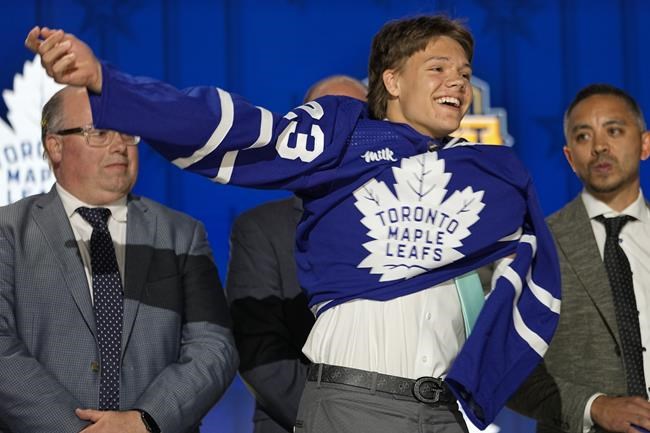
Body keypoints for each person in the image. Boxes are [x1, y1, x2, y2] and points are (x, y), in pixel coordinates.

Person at [26, 15, 561, 432]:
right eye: (439, 68)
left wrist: (482, 381)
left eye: (464, 73)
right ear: (393, 80)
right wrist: (108, 84)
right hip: (354, 408)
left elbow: (533, 272)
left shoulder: (488, 173)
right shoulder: (343, 138)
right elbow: (238, 128)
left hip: (445, 413)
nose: (457, 83)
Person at [0, 86, 238, 433]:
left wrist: (145, 420)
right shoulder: (8, 231)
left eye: (127, 133)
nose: (119, 146)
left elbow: (213, 346)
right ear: (55, 145)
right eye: (99, 133)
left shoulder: (181, 234)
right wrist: (77, 430)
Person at [226, 75, 367, 433]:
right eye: (329, 120)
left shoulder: (407, 225)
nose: (344, 133)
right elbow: (260, 354)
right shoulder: (261, 229)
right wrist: (344, 424)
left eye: (359, 121)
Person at [509, 84, 650, 433]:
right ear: (570, 157)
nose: (599, 146)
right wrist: (594, 407)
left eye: (614, 131)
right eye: (583, 136)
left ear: (645, 144)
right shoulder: (536, 247)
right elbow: (507, 364)